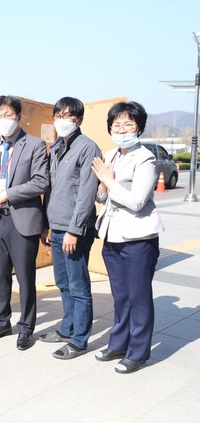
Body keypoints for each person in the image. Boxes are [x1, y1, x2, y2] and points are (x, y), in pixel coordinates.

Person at [91, 101, 163, 374]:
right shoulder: (110, 155)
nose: (121, 130)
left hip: (138, 238)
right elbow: (102, 197)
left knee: (138, 297)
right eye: (116, 125)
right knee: (120, 296)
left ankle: (138, 352)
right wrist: (102, 185)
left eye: (128, 124)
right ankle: (118, 344)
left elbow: (137, 201)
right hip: (112, 235)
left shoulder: (145, 158)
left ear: (139, 127)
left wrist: (109, 181)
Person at [0, 95, 49, 351]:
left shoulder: (35, 144)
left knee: (25, 277)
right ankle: (0, 322)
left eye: (8, 115)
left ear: (19, 117)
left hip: (23, 220)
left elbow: (40, 182)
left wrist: (7, 194)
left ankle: (26, 328)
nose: (4, 120)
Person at [40, 97, 101, 359]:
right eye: (59, 115)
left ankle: (79, 340)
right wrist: (45, 224)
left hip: (74, 230)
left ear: (79, 120)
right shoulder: (56, 147)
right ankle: (67, 328)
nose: (63, 120)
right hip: (56, 227)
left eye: (69, 116)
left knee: (78, 286)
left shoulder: (88, 147)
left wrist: (74, 230)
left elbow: (87, 193)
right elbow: (51, 190)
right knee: (63, 283)